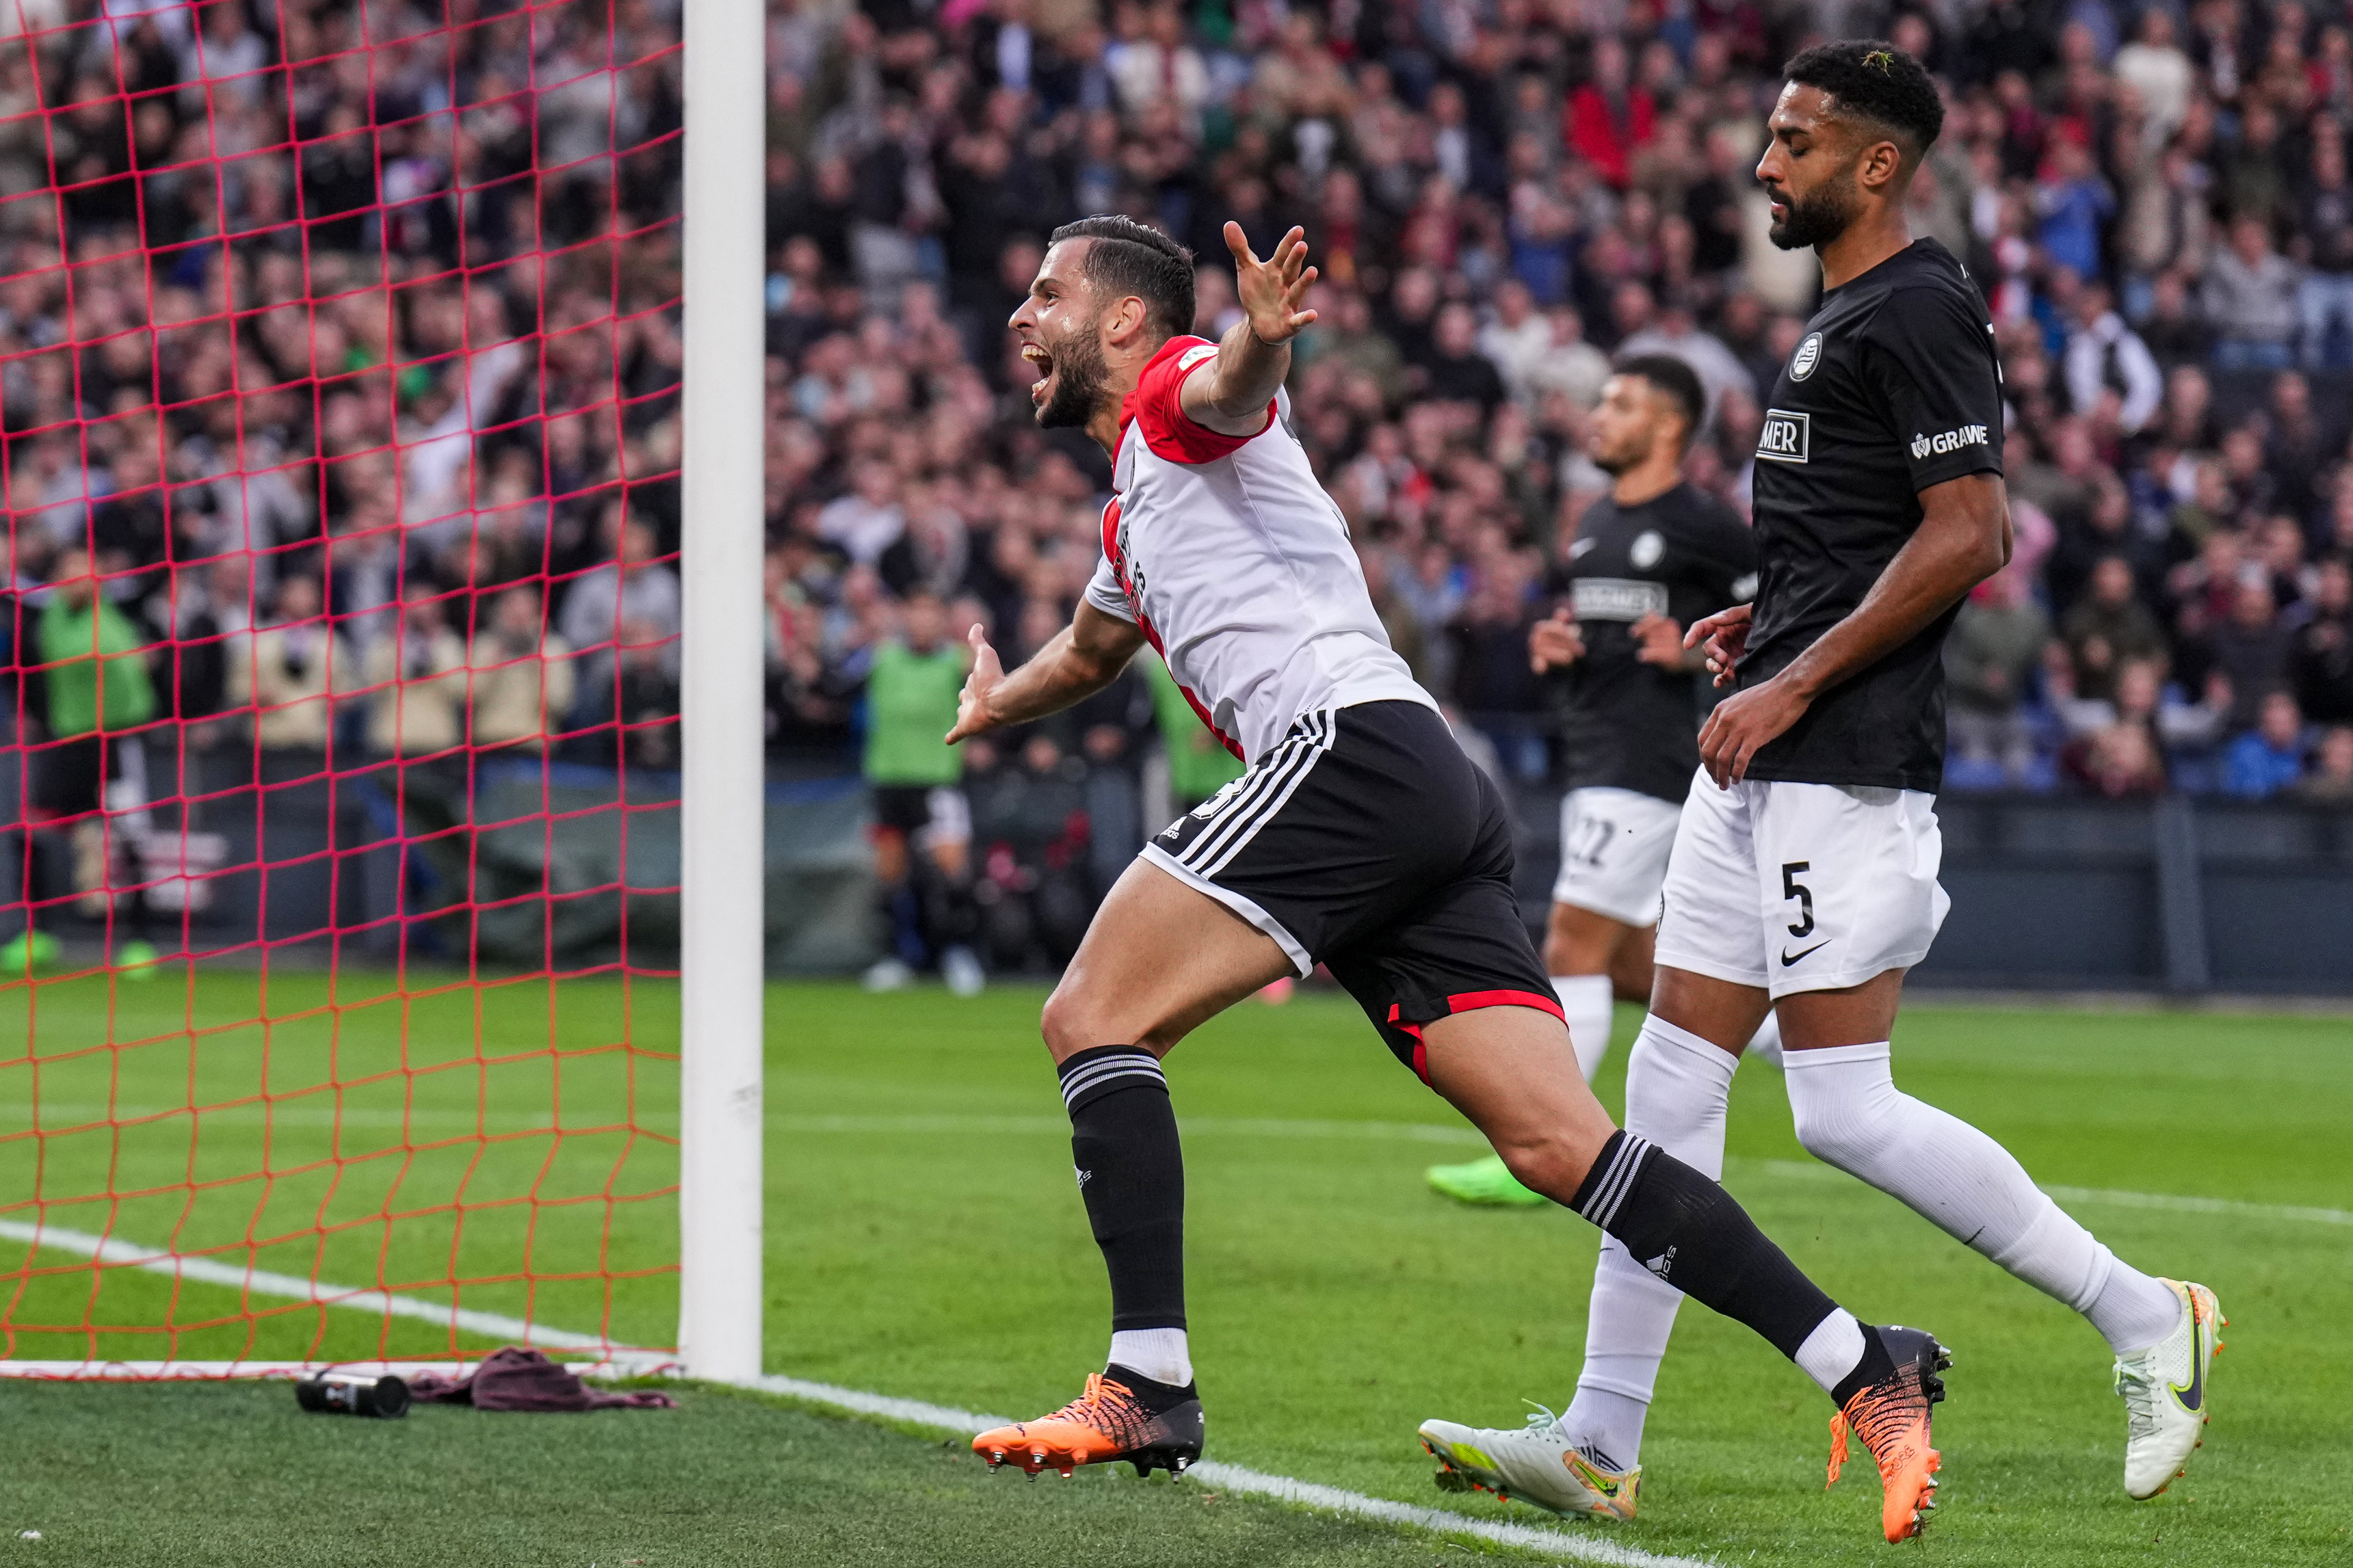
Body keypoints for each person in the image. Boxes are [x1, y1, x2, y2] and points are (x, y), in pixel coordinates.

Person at [953, 211, 1949, 1546]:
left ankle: (1149, 1381)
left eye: (1047, 292)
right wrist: (993, 703)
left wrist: (1257, 336)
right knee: (1558, 1143)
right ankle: (1861, 1363)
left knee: (1092, 1014)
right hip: (1421, 791)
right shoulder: (1140, 506)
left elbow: (1227, 384)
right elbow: (1084, 653)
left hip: (1347, 754)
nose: (1022, 317)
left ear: (1125, 322)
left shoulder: (1175, 399)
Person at [1417, 44, 2219, 1526]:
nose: (1762, 167)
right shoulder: (1842, 314)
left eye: (1792, 144)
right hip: (1757, 747)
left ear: (1875, 165)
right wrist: (1761, 625)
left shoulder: (1915, 304)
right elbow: (1855, 534)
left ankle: (2140, 1313)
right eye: (1767, 137)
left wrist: (1796, 674)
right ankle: (1598, 1435)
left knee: (1841, 1108)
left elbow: (1970, 531)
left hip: (1837, 767)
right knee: (1662, 1092)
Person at [1424, 354, 1783, 1210]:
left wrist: (1698, 658)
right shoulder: (1591, 527)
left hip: (1655, 764)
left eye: (1621, 404)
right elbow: (1605, 644)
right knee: (1635, 962)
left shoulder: (1706, 523)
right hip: (1598, 753)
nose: (1599, 415)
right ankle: (1791, 1031)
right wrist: (1559, 655)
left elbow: (1786, 623)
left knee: (1571, 945)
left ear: (1668, 426)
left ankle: (1550, 1148)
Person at [860, 588, 983, 997]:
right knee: (892, 876)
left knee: (950, 873)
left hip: (938, 780)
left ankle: (957, 952)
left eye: (931, 615)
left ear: (942, 622)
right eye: (915, 613)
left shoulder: (955, 664)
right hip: (891, 780)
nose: (922, 623)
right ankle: (900, 957)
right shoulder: (882, 658)